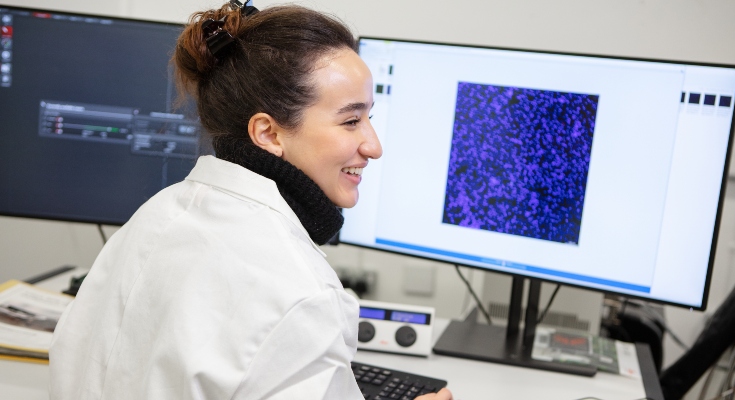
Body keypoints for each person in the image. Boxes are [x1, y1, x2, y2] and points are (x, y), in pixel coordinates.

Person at [49, 2, 452, 399]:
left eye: (370, 118)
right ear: (269, 133)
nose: (374, 146)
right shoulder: (302, 293)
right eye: (350, 121)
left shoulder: (154, 217)